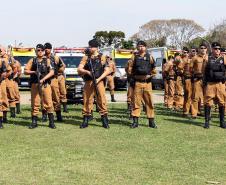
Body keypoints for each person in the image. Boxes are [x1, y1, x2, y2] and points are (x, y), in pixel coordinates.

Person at [77, 39, 113, 129]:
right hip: (88, 82)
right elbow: (79, 69)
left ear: (95, 47)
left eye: (91, 46)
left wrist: (99, 79)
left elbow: (108, 70)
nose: (89, 48)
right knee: (87, 100)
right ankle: (85, 120)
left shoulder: (102, 57)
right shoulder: (86, 57)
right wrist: (87, 72)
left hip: (99, 82)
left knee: (101, 100)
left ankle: (104, 120)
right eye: (89, 46)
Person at [24, 44, 56, 129]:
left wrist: (43, 79)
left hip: (45, 85)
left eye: (42, 50)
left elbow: (52, 72)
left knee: (48, 103)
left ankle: (51, 122)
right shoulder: (32, 60)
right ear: (36, 51)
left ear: (44, 51)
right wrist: (34, 72)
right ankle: (34, 122)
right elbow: (25, 71)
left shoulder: (48, 60)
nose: (40, 51)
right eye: (38, 50)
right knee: (35, 103)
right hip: (35, 84)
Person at [127, 40, 157, 128]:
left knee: (149, 102)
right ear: (137, 47)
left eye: (142, 46)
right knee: (136, 102)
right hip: (137, 83)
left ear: (145, 47)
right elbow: (129, 69)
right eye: (139, 46)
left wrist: (150, 76)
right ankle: (135, 122)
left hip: (147, 83)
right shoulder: (134, 57)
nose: (141, 48)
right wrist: (133, 77)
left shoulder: (150, 57)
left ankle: (151, 122)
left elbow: (154, 69)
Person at [203, 42, 226, 129]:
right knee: (208, 102)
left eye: (219, 49)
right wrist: (204, 82)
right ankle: (207, 122)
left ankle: (222, 122)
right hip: (210, 84)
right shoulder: (207, 59)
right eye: (215, 48)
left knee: (222, 102)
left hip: (220, 84)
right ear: (212, 49)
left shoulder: (223, 58)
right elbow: (204, 71)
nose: (217, 50)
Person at [44, 42, 65, 122]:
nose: (46, 50)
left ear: (50, 49)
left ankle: (58, 115)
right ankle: (45, 115)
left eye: (48, 48)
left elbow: (62, 67)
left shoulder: (55, 58)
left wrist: (57, 72)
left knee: (56, 97)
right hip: (45, 80)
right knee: (45, 98)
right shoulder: (42, 58)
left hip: (53, 80)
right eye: (45, 48)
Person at [190, 43, 208, 118]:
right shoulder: (195, 58)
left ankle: (207, 114)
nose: (203, 49)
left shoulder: (209, 57)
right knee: (195, 97)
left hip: (207, 80)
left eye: (204, 48)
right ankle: (194, 113)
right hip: (197, 79)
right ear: (199, 49)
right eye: (201, 48)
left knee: (207, 97)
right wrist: (194, 75)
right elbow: (190, 69)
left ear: (206, 49)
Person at [181, 47, 192, 117]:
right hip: (187, 79)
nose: (185, 54)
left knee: (193, 96)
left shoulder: (192, 59)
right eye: (184, 52)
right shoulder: (183, 60)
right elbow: (179, 69)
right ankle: (185, 111)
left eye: (186, 52)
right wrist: (184, 75)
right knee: (187, 96)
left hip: (194, 79)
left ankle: (193, 111)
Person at [0, 46, 8, 128]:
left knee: (3, 99)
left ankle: (3, 118)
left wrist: (2, 78)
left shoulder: (4, 60)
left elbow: (8, 71)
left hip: (2, 82)